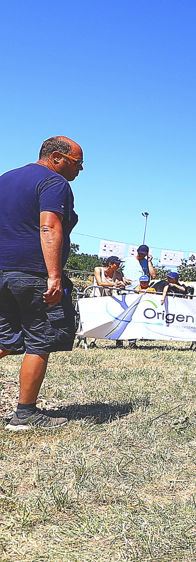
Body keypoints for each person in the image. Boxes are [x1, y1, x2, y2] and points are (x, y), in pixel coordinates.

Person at [0, 136, 82, 430]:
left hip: (2, 273)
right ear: (58, 158)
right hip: (32, 273)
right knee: (39, 339)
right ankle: (25, 414)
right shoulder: (54, 183)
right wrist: (55, 275)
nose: (80, 170)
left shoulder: (5, 179)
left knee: (6, 339)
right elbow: (49, 225)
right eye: (77, 163)